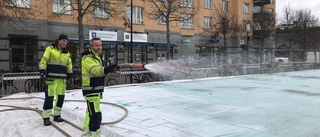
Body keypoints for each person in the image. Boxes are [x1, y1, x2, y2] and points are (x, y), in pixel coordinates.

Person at [81, 37, 118, 136]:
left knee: (90, 113)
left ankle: (86, 133)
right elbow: (96, 71)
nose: (99, 47)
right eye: (96, 45)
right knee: (96, 115)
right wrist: (107, 69)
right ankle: (94, 135)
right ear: (91, 46)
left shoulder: (96, 57)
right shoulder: (88, 58)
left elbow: (100, 71)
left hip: (95, 89)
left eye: (100, 45)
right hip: (91, 90)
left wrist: (110, 69)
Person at [39, 34, 73, 126]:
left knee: (60, 98)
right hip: (51, 79)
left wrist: (70, 73)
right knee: (49, 98)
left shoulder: (67, 53)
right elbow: (44, 61)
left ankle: (57, 115)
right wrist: (42, 70)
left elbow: (69, 64)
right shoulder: (50, 49)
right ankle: (46, 117)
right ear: (58, 40)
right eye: (63, 40)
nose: (64, 42)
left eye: (66, 41)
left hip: (62, 80)